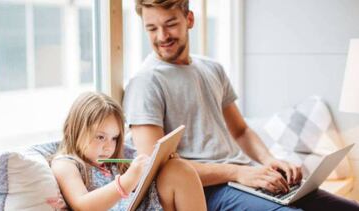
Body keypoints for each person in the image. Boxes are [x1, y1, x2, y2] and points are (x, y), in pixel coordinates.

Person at [123, 0, 359, 210]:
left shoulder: (212, 68)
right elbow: (154, 168)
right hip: (205, 189)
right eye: (151, 28)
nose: (162, 36)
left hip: (244, 178)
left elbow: (241, 131)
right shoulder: (146, 82)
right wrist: (239, 172)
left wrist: (268, 161)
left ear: (189, 19)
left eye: (170, 24)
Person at [51, 92, 206, 211]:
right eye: (100, 137)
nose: (108, 146)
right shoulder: (66, 164)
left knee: (178, 169)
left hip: (142, 205)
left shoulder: (116, 157)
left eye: (114, 138)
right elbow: (83, 205)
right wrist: (127, 181)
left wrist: (158, 164)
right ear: (76, 130)